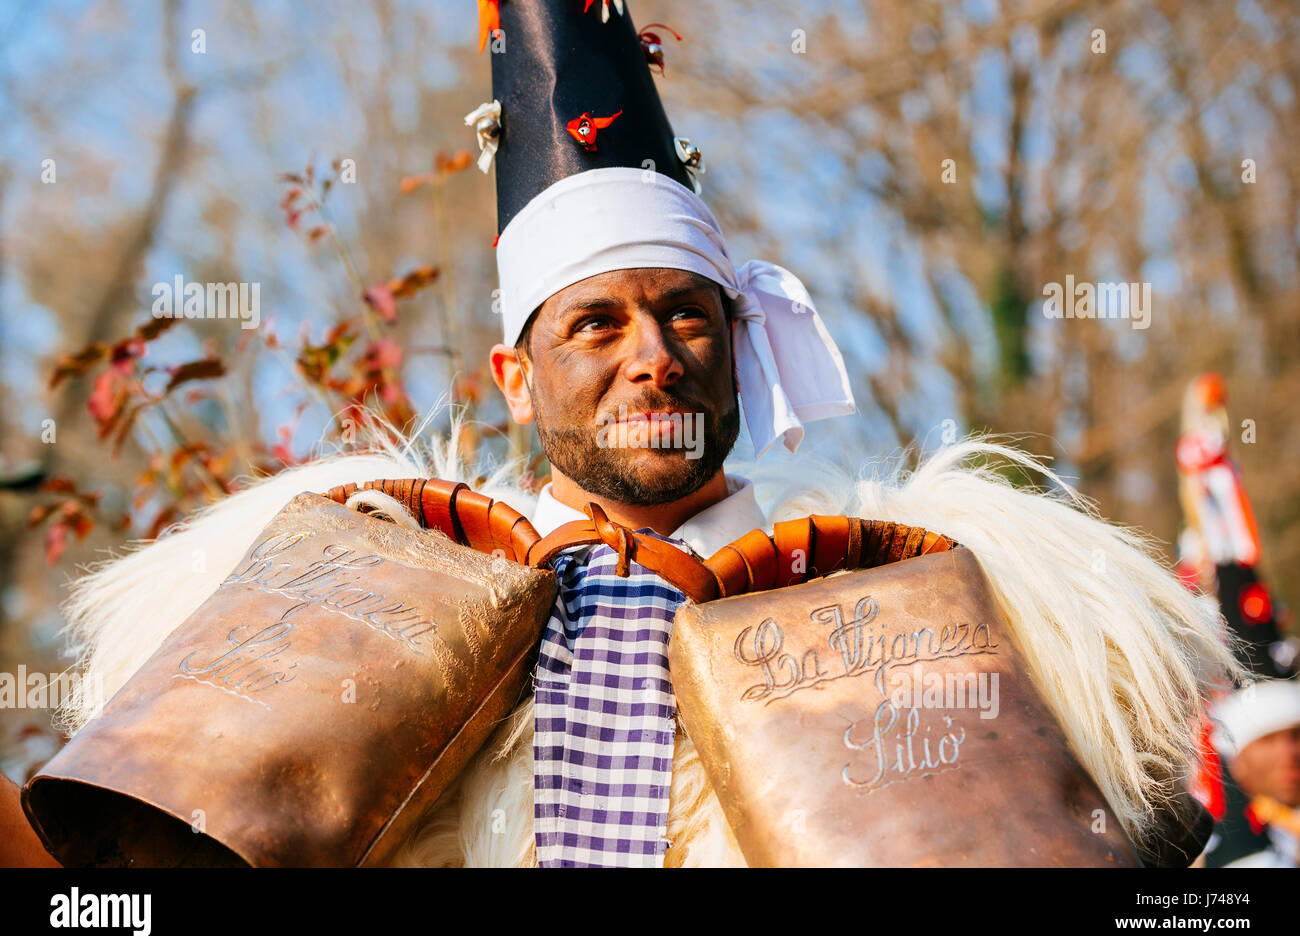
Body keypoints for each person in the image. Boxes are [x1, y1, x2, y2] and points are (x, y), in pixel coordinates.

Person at [2, 0, 1238, 867]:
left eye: (685, 314)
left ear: (732, 335)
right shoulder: (365, 583)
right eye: (594, 324)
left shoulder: (900, 585)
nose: (653, 353)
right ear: (515, 377)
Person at [1207, 680, 1300, 867]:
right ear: (1238, 764)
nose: (1289, 753)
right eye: (1267, 740)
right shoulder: (1234, 857)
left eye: (1296, 735)